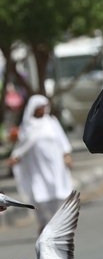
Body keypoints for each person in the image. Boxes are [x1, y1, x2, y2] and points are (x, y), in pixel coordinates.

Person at [6, 94, 73, 232]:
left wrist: (67, 156)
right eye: (40, 107)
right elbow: (23, 145)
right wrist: (16, 157)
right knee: (38, 196)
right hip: (36, 167)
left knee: (57, 194)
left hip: (55, 166)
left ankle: (57, 225)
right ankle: (43, 223)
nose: (43, 109)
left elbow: (62, 140)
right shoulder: (27, 126)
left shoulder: (52, 122)